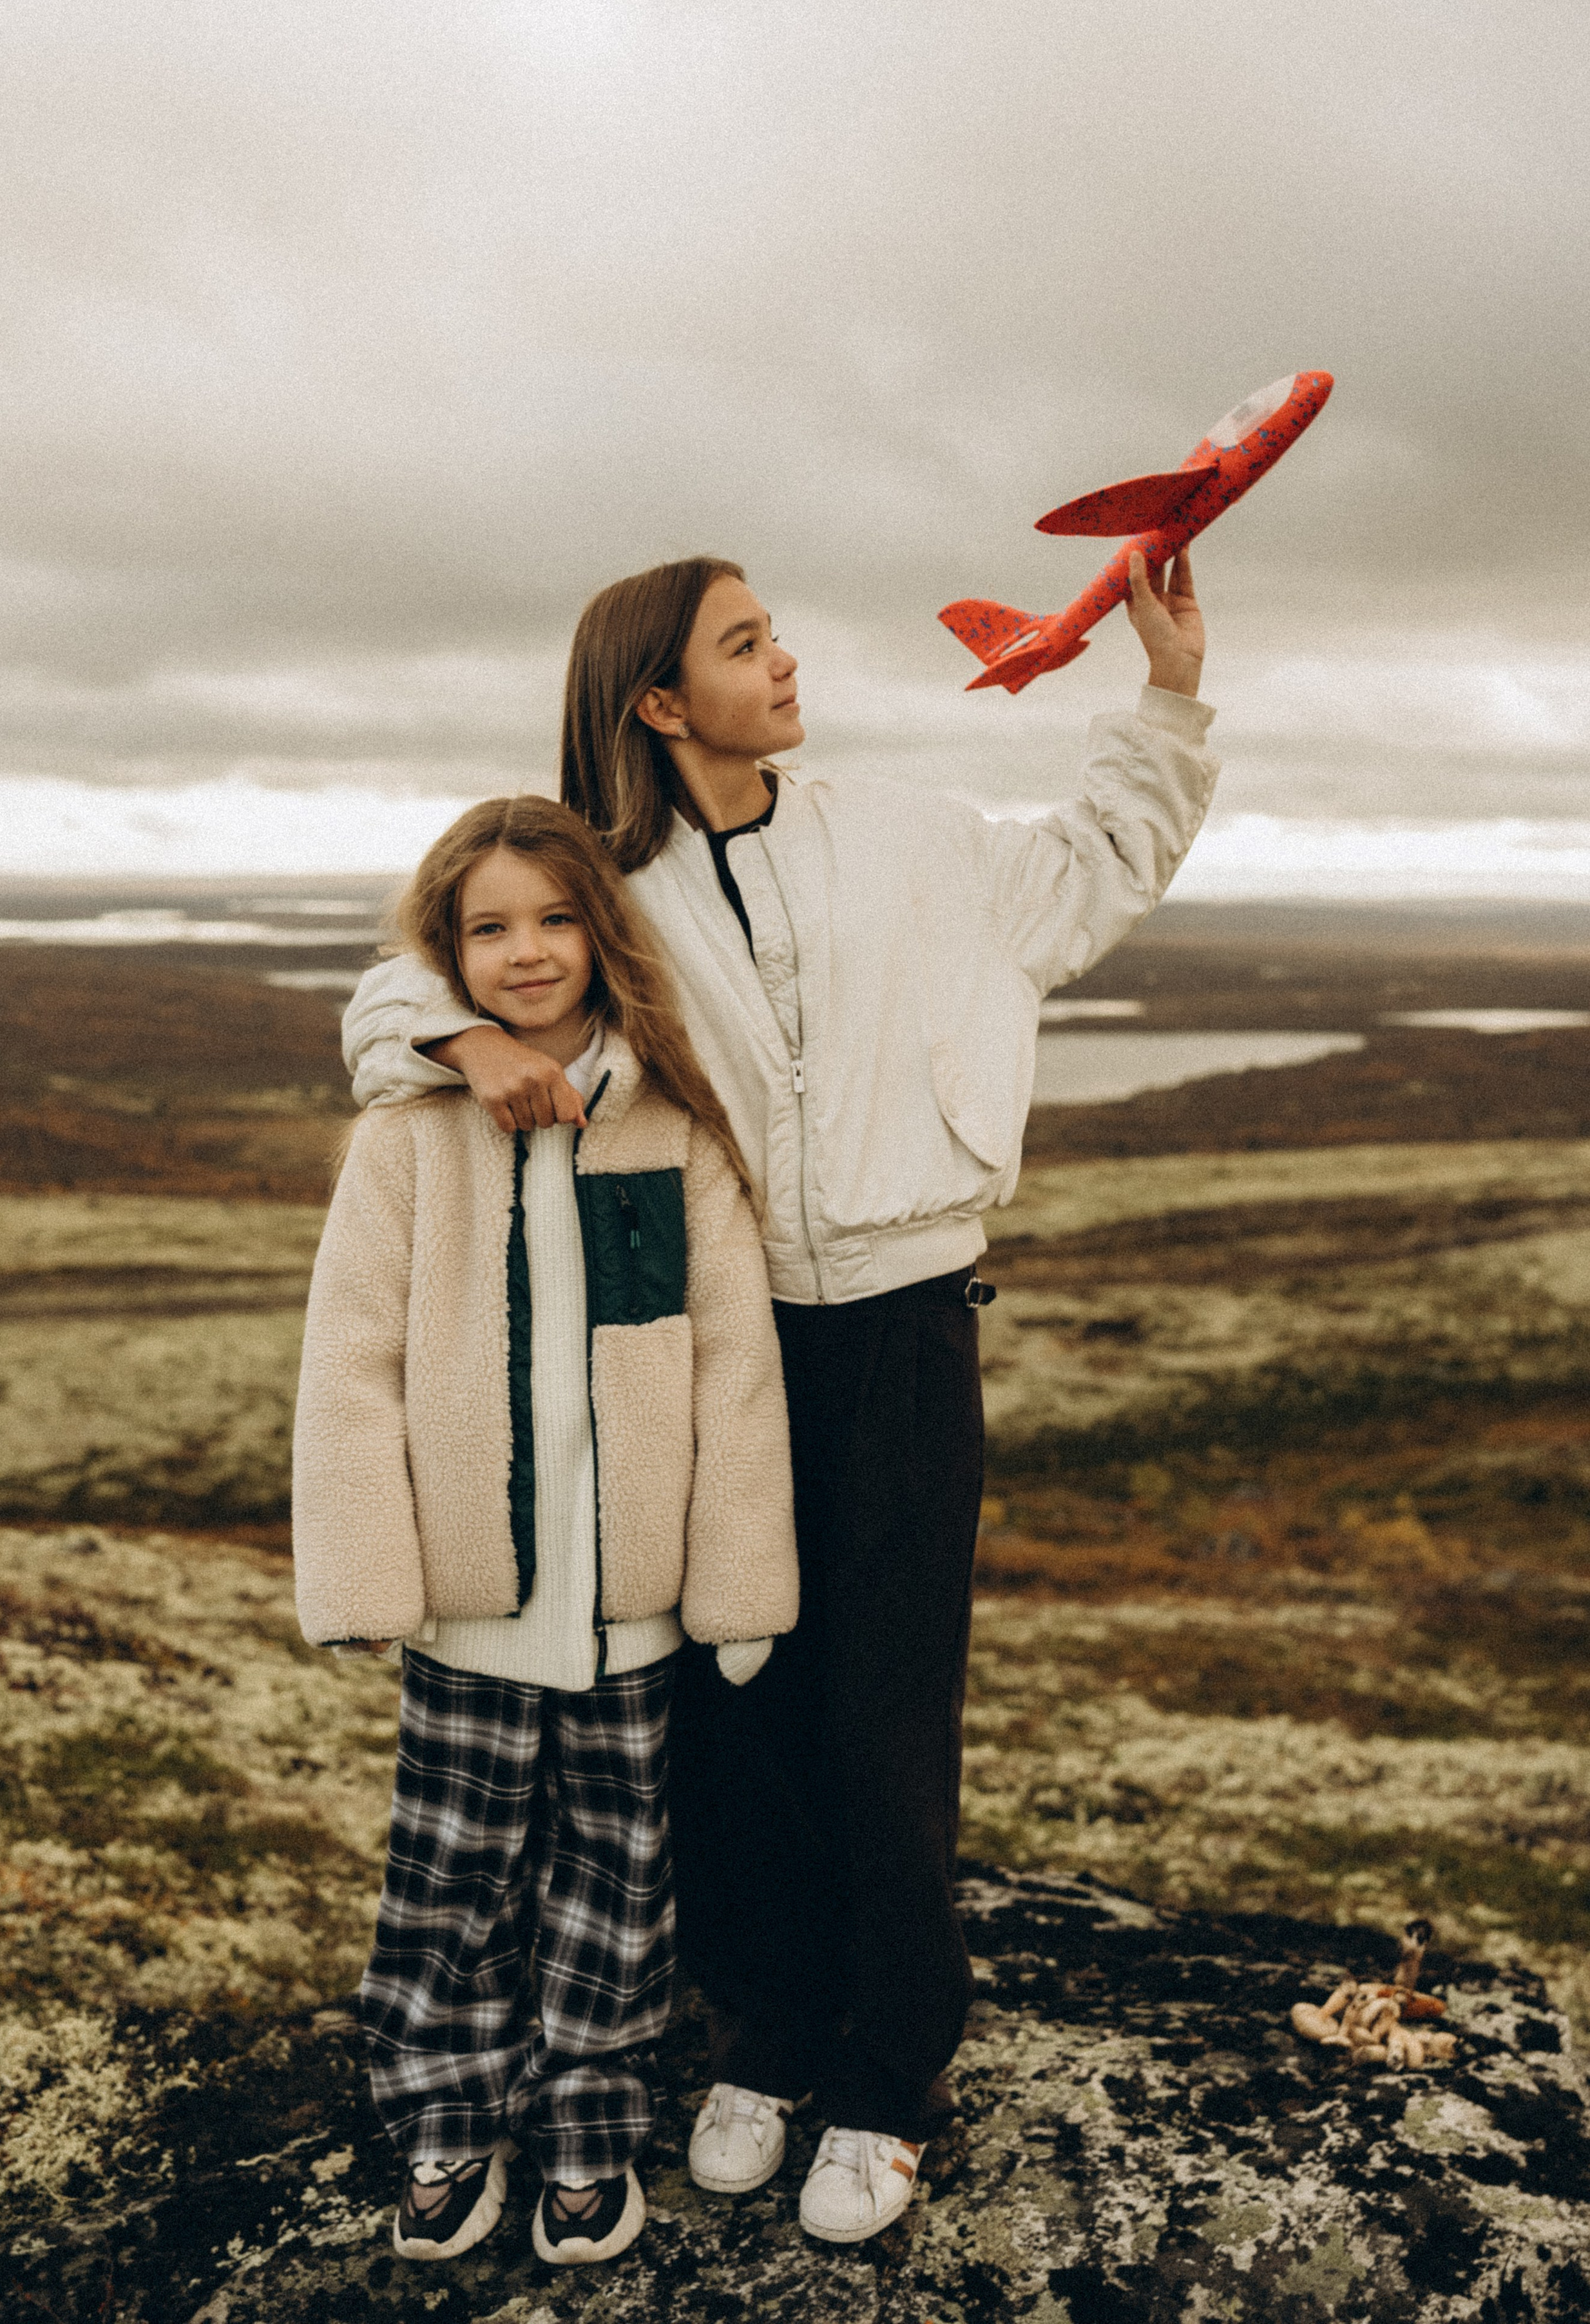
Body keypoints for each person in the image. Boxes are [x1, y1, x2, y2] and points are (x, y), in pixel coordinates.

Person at [340, 546, 1216, 2243]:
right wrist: (463, 1046)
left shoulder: (902, 834)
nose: (788, 661)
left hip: (900, 1318)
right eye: (748, 645)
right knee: (730, 1708)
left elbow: (1100, 867)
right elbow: (399, 980)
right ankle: (766, 2032)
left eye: (776, 633)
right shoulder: (595, 883)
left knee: (883, 1709)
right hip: (702, 1336)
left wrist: (1169, 693)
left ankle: (888, 2075)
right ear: (662, 703)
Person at [293, 794, 798, 2267]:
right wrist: (367, 1569)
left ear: (603, 930)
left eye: (556, 919)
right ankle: (447, 2118)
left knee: (613, 1884)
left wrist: (737, 1580)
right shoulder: (406, 1137)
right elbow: (351, 1362)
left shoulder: (670, 1128)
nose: (526, 953)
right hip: (466, 1598)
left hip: (627, 1607)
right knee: (448, 1876)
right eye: (488, 929)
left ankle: (585, 2136)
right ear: (447, 954)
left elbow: (732, 1368)